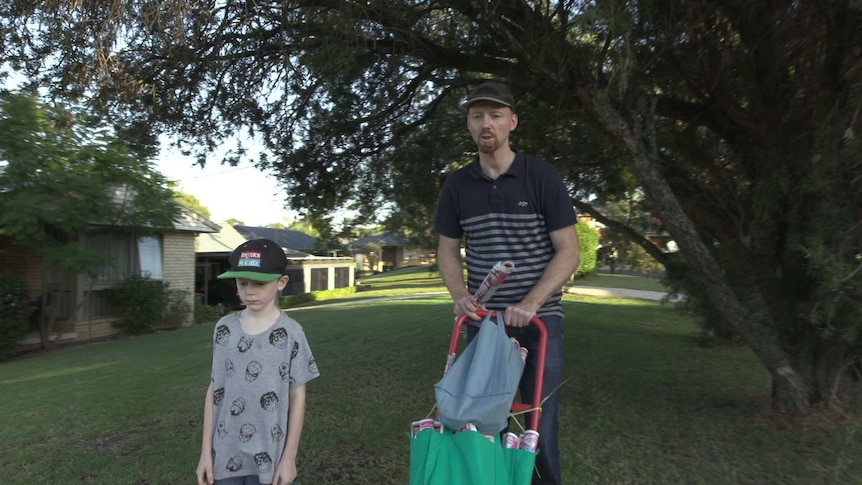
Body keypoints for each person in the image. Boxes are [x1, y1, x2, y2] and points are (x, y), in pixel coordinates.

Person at [435, 81, 580, 485]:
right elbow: (447, 250)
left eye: (495, 115)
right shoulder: (457, 185)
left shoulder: (541, 176)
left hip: (540, 320)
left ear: (512, 122)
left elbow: (568, 251)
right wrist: (460, 295)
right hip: (486, 323)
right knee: (481, 422)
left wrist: (532, 302)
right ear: (468, 123)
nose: (487, 123)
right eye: (478, 115)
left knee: (537, 426)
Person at [196, 238, 320, 485]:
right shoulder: (224, 329)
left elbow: (298, 396)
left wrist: (289, 457)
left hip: (270, 458)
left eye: (260, 283)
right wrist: (205, 453)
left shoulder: (292, 333)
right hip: (225, 453)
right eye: (243, 283)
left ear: (281, 282)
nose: (250, 291)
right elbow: (215, 390)